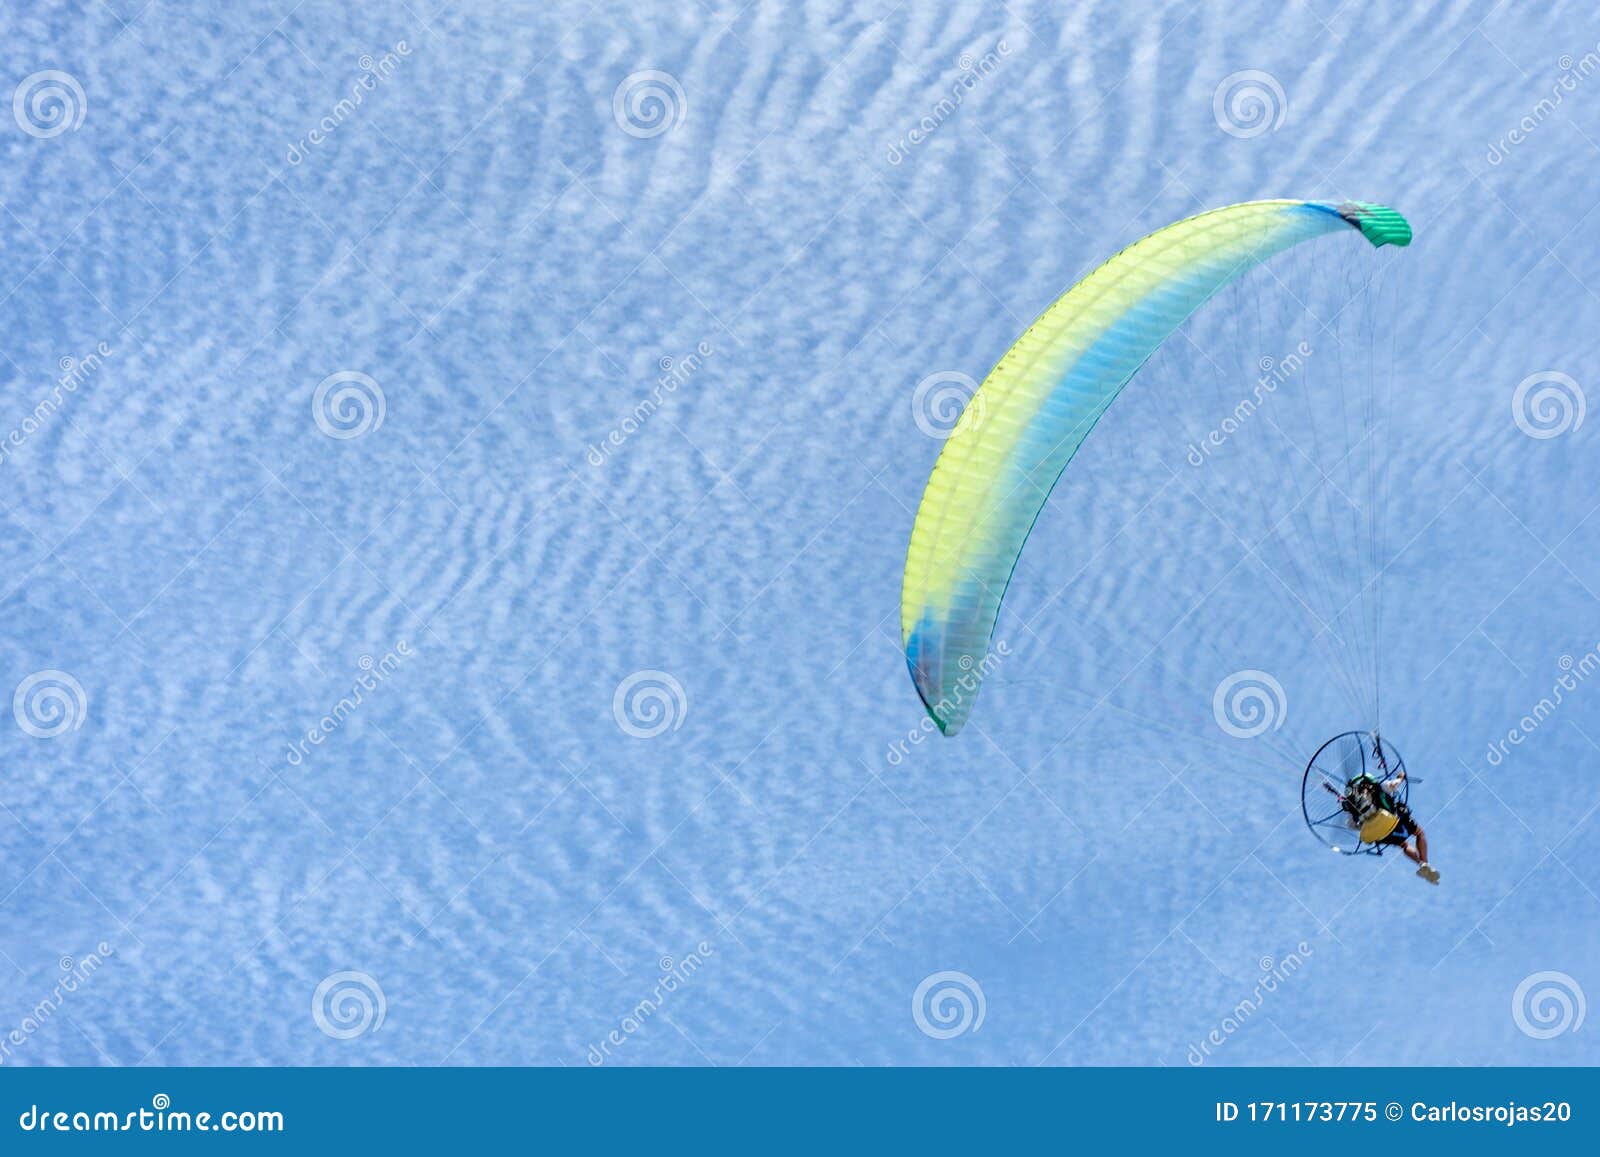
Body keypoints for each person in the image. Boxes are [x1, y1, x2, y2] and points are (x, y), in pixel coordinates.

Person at [1340, 770, 1438, 884]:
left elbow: (1353, 826)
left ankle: (1420, 864)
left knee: (1403, 845)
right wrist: (1400, 777)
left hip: (1381, 835)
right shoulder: (1378, 787)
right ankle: (1424, 863)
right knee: (1419, 833)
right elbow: (1393, 785)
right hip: (1392, 820)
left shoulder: (1353, 811)